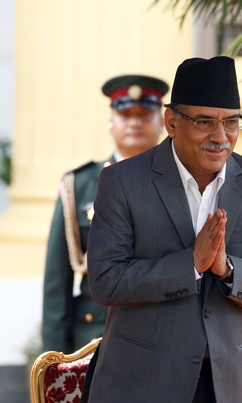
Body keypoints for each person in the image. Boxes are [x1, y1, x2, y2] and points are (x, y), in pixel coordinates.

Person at [85, 56, 242, 402]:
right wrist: (190, 265)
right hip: (141, 384)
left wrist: (228, 270)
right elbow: (105, 281)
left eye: (232, 123)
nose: (220, 137)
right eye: (205, 122)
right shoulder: (122, 182)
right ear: (172, 122)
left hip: (229, 386)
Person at [42, 74, 168, 353]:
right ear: (111, 120)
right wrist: (52, 359)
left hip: (165, 335)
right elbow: (57, 280)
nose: (135, 122)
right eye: (126, 114)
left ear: (162, 122)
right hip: (94, 337)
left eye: (145, 114)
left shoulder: (183, 183)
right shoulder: (79, 185)